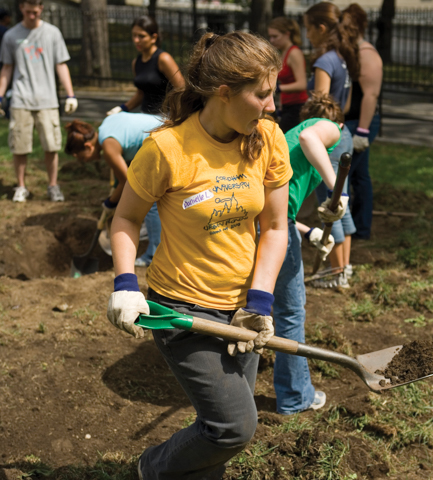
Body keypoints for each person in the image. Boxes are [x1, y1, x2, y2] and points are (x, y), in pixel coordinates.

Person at [106, 31, 292, 480]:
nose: (272, 105)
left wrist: (259, 302)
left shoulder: (266, 138)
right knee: (234, 427)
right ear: (224, 93)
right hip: (181, 310)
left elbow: (275, 227)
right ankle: (151, 468)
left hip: (241, 308)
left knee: (220, 434)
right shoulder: (167, 148)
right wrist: (126, 284)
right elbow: (126, 219)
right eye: (262, 95)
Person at [273, 92, 348, 415]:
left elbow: (280, 212)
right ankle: (295, 397)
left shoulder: (292, 137)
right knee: (289, 313)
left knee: (251, 305)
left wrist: (310, 231)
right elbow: (309, 136)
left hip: (264, 221)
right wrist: (336, 189)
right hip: (272, 226)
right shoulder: (327, 128)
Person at [303, 1, 361, 287]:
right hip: (343, 128)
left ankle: (337, 275)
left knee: (332, 203)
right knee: (343, 202)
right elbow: (345, 103)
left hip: (328, 134)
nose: (307, 36)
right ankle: (344, 269)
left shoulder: (324, 61)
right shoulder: (342, 58)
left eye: (308, 29)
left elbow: (320, 103)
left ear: (321, 28)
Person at [0, 0, 78, 203]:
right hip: (20, 99)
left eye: (35, 12)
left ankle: (53, 186)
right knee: (20, 147)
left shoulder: (53, 33)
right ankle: (21, 187)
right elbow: (7, 68)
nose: (32, 15)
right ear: (21, 9)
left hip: (47, 100)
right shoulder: (11, 36)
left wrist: (71, 94)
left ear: (41, 8)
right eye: (28, 12)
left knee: (51, 146)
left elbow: (61, 65)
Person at [64, 112, 162, 267]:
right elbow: (121, 175)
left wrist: (110, 203)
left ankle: (154, 255)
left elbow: (126, 181)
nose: (85, 162)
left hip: (162, 142)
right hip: (165, 129)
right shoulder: (105, 126)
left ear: (88, 146)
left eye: (83, 158)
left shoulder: (108, 146)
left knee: (150, 201)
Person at [343, 3, 383, 240]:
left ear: (357, 25)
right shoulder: (353, 50)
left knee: (345, 177)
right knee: (360, 176)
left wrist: (362, 131)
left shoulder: (366, 53)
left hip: (360, 122)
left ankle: (351, 229)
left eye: (347, 24)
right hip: (354, 121)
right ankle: (361, 228)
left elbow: (371, 94)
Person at [107, 15, 184, 116]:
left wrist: (176, 117)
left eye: (141, 36)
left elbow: (182, 89)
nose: (136, 40)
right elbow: (141, 93)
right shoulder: (136, 62)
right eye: (134, 35)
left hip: (165, 117)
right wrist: (121, 108)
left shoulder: (163, 59)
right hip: (144, 116)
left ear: (153, 38)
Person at [268, 17, 308, 133]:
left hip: (297, 107)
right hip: (287, 107)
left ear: (287, 34)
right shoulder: (283, 52)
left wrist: (277, 88)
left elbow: (302, 84)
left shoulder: (294, 53)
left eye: (275, 36)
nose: (272, 40)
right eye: (270, 36)